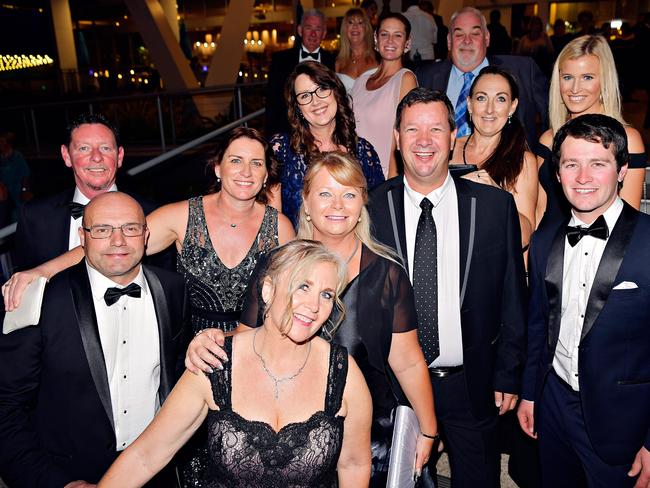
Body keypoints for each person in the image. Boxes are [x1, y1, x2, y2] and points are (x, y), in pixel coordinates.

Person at [184, 152, 438, 486]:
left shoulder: (388, 274)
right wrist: (206, 342)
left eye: (348, 194)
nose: (337, 205)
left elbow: (407, 362)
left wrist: (429, 430)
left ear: (362, 202)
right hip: (289, 443)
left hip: (367, 442)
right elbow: (244, 341)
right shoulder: (277, 265)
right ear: (305, 201)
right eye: (325, 194)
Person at [96, 240, 373, 488]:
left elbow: (354, 464)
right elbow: (148, 455)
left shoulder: (343, 374)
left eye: (326, 295)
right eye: (303, 286)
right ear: (268, 290)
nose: (314, 305)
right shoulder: (216, 362)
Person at [368, 87, 527, 486]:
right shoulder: (369, 209)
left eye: (436, 129)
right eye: (413, 130)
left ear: (453, 137)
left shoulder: (494, 208)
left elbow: (512, 296)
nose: (424, 141)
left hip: (471, 385)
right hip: (394, 389)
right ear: (396, 138)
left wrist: (508, 374)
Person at [0, 192, 190, 487]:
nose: (118, 241)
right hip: (70, 474)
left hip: (157, 473)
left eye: (130, 228)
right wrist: (54, 483)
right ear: (82, 236)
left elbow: (176, 380)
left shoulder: (173, 290)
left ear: (146, 234)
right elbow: (7, 408)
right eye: (102, 230)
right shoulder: (37, 301)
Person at [518, 114, 650, 488]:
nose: (582, 177)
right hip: (554, 406)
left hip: (624, 422)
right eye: (571, 164)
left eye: (598, 164)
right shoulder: (545, 241)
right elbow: (538, 324)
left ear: (622, 170)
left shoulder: (649, 242)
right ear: (557, 173)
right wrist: (530, 394)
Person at [12, 113, 161, 272]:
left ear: (120, 156)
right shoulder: (35, 217)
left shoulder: (153, 215)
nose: (96, 157)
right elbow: (26, 284)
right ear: (66, 155)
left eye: (105, 148)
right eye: (84, 148)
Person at [536, 35, 648, 228]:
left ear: (604, 81)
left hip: (605, 253)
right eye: (567, 77)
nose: (575, 88)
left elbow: (628, 221)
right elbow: (539, 211)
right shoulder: (548, 139)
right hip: (549, 252)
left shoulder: (627, 139)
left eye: (587, 77)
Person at [271, 61, 384, 227]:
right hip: (301, 250)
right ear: (297, 108)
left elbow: (378, 214)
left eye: (322, 89)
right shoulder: (280, 150)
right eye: (305, 96)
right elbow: (272, 222)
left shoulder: (363, 152)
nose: (315, 101)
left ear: (336, 93)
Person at [416, 7, 549, 147]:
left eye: (475, 34)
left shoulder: (523, 70)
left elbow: (553, 114)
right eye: (459, 34)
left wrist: (546, 160)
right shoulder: (425, 77)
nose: (467, 41)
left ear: (487, 38)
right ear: (449, 41)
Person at [450, 66, 538, 248]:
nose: (489, 109)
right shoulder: (448, 149)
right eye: (481, 98)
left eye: (500, 99)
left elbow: (524, 236)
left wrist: (496, 195)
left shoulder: (523, 160)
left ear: (512, 107)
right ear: (469, 104)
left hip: (492, 260)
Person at [351, 13, 418, 177]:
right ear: (376, 38)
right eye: (384, 34)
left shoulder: (405, 79)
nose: (390, 41)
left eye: (398, 35)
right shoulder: (361, 81)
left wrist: (391, 186)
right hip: (352, 174)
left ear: (407, 42)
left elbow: (403, 137)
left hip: (383, 177)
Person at [265, 9, 336, 136]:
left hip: (324, 132)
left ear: (324, 33)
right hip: (288, 132)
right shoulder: (280, 60)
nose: (313, 34)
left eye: (318, 29)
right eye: (308, 28)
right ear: (299, 30)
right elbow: (272, 103)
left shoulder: (334, 61)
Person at [335, 8, 378, 93]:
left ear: (366, 28)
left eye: (360, 22)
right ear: (345, 29)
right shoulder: (338, 63)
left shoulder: (378, 57)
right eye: (350, 22)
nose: (355, 26)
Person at [0, 131, 31, 225]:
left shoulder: (17, 156)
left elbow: (25, 174)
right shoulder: (1, 158)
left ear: (7, 144)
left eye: (2, 142)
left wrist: (24, 190)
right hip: (5, 194)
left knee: (18, 216)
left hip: (17, 191)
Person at [403, 0, 438, 67]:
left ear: (405, 3)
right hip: (428, 56)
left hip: (409, 57)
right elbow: (434, 40)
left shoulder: (402, 17)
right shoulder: (430, 17)